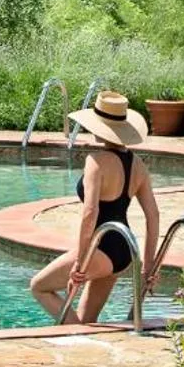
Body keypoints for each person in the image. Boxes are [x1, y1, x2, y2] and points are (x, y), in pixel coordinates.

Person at [29, 90, 162, 324]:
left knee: (39, 286)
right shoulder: (138, 165)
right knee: (87, 320)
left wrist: (80, 263)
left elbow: (90, 214)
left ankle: (73, 334)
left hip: (100, 247)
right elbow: (154, 215)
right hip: (124, 249)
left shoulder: (96, 162)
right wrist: (148, 264)